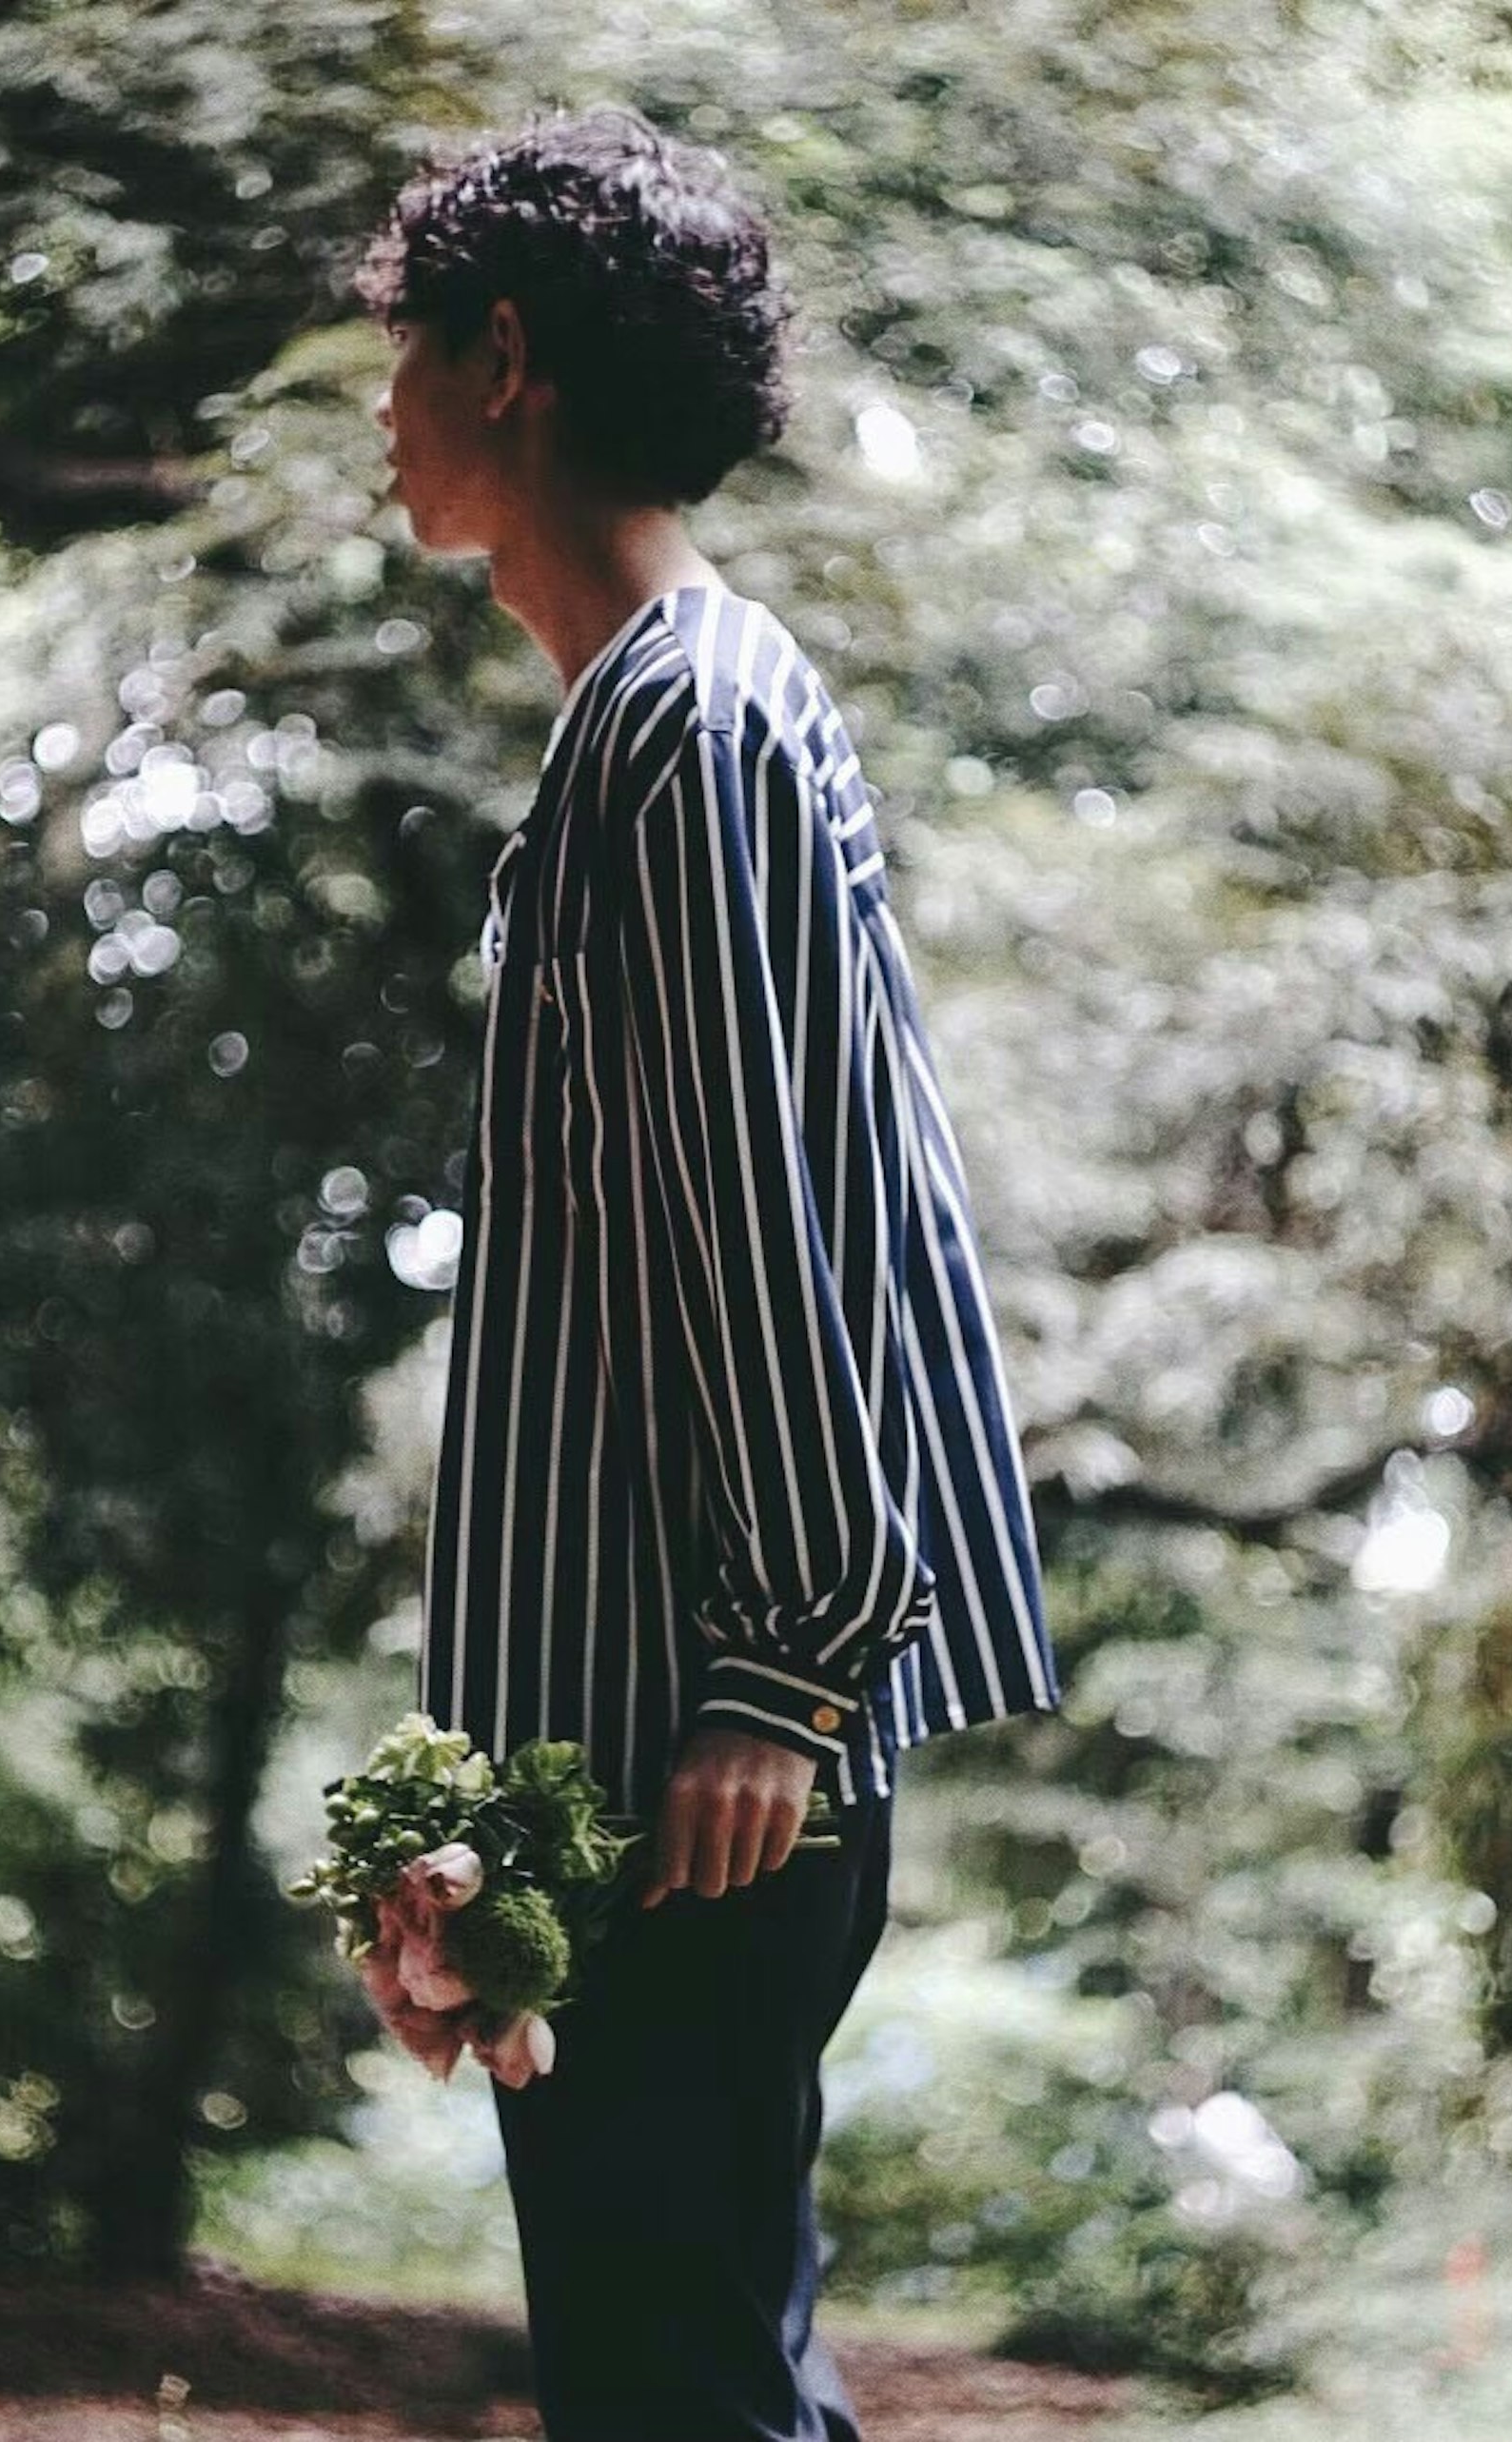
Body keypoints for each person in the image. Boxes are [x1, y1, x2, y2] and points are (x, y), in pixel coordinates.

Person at [357, 103, 1064, 2442]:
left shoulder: (694, 717)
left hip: (715, 1759)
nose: (381, 405)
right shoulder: (647, 720)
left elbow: (755, 1231)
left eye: (405, 353)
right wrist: (484, 1825)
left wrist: (779, 1670)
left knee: (688, 2405)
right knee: (676, 2395)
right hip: (638, 1760)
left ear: (509, 356)